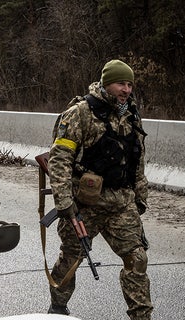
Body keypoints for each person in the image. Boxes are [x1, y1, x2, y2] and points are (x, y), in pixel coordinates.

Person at [47, 59, 152, 319]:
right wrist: (64, 202)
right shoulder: (80, 113)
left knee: (136, 259)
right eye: (120, 84)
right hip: (84, 204)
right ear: (106, 84)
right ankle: (58, 308)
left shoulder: (131, 115)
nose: (126, 90)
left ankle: (142, 316)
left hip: (121, 204)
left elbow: (137, 161)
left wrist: (140, 200)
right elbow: (60, 159)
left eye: (129, 84)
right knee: (71, 258)